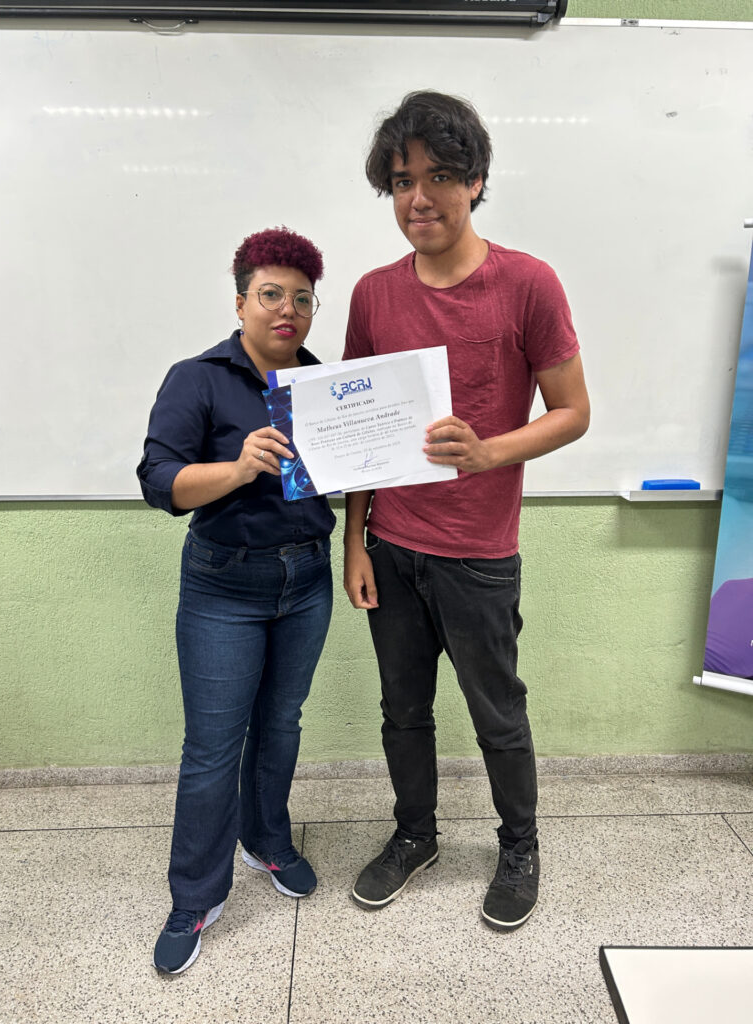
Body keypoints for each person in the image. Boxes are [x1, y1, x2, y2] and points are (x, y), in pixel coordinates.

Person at [342, 92, 590, 931]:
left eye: (440, 176)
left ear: (476, 180)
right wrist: (355, 542)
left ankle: (519, 846)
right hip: (393, 548)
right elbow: (356, 436)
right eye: (402, 181)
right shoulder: (374, 294)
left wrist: (490, 452)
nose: (420, 198)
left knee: (497, 714)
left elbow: (573, 411)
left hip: (480, 553)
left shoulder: (527, 283)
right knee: (402, 712)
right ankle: (415, 836)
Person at [137, 226, 335, 974]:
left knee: (280, 724)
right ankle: (194, 895)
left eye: (303, 299)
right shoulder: (198, 378)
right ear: (241, 302)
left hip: (306, 579)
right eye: (272, 294)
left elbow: (352, 474)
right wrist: (240, 465)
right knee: (213, 746)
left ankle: (268, 841)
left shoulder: (324, 384)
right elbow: (160, 482)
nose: (288, 310)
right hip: (224, 584)